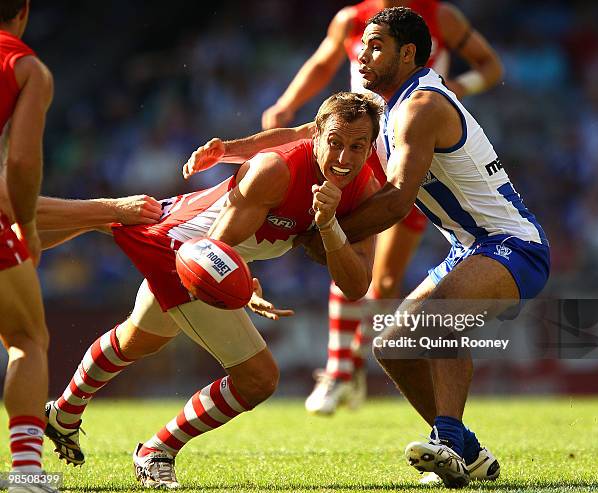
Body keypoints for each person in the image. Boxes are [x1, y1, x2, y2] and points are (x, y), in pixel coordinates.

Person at [185, 8, 549, 488]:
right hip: (470, 246)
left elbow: (398, 200)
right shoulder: (385, 106)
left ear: (408, 54)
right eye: (364, 43)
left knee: (441, 316)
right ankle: (472, 457)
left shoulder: (420, 107)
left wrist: (326, 232)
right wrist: (229, 150)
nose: (362, 52)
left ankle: (447, 440)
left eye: (376, 45)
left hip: (513, 245)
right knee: (393, 348)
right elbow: (306, 137)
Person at [41, 93, 382, 489]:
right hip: (181, 249)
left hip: (200, 247)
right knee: (258, 380)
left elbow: (357, 286)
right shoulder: (276, 169)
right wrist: (237, 283)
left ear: (371, 148)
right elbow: (210, 252)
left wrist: (329, 226)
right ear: (316, 135)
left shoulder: (365, 189)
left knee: (138, 338)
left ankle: (63, 412)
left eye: (358, 147)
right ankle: (157, 451)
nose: (343, 157)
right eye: (335, 142)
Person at [262, 0, 504, 416]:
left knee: (386, 283)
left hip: (411, 158)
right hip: (363, 155)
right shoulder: (351, 19)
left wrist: (454, 91)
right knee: (347, 246)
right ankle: (341, 370)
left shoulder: (439, 17)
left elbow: (491, 68)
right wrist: (287, 102)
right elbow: (322, 66)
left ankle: (356, 360)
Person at [0, 2, 57, 490]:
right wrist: (27, 225)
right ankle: (25, 473)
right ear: (23, 11)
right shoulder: (26, 68)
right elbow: (19, 163)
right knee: (26, 339)